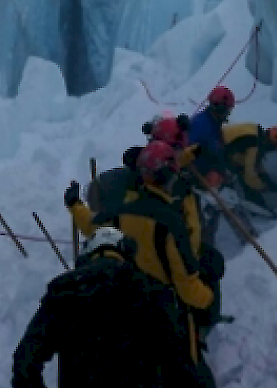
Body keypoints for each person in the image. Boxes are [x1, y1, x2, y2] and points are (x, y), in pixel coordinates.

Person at [65, 141, 218, 382]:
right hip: (167, 311)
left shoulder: (119, 212)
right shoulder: (171, 224)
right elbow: (187, 289)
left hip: (131, 305)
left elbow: (91, 225)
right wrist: (209, 300)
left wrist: (74, 204)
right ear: (168, 178)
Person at [11, 226, 196, 388]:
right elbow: (180, 365)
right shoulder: (153, 291)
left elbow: (25, 362)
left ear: (88, 254)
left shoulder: (63, 292)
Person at [221, 123, 277, 210]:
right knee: (247, 177)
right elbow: (250, 176)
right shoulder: (254, 143)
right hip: (219, 154)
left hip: (222, 146)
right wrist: (264, 187)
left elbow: (253, 161)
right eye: (274, 147)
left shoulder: (256, 131)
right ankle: (256, 205)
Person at [186, 87, 236, 188]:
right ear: (220, 109)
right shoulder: (201, 125)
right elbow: (190, 155)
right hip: (194, 173)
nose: (228, 114)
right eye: (227, 110)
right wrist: (214, 171)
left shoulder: (213, 122)